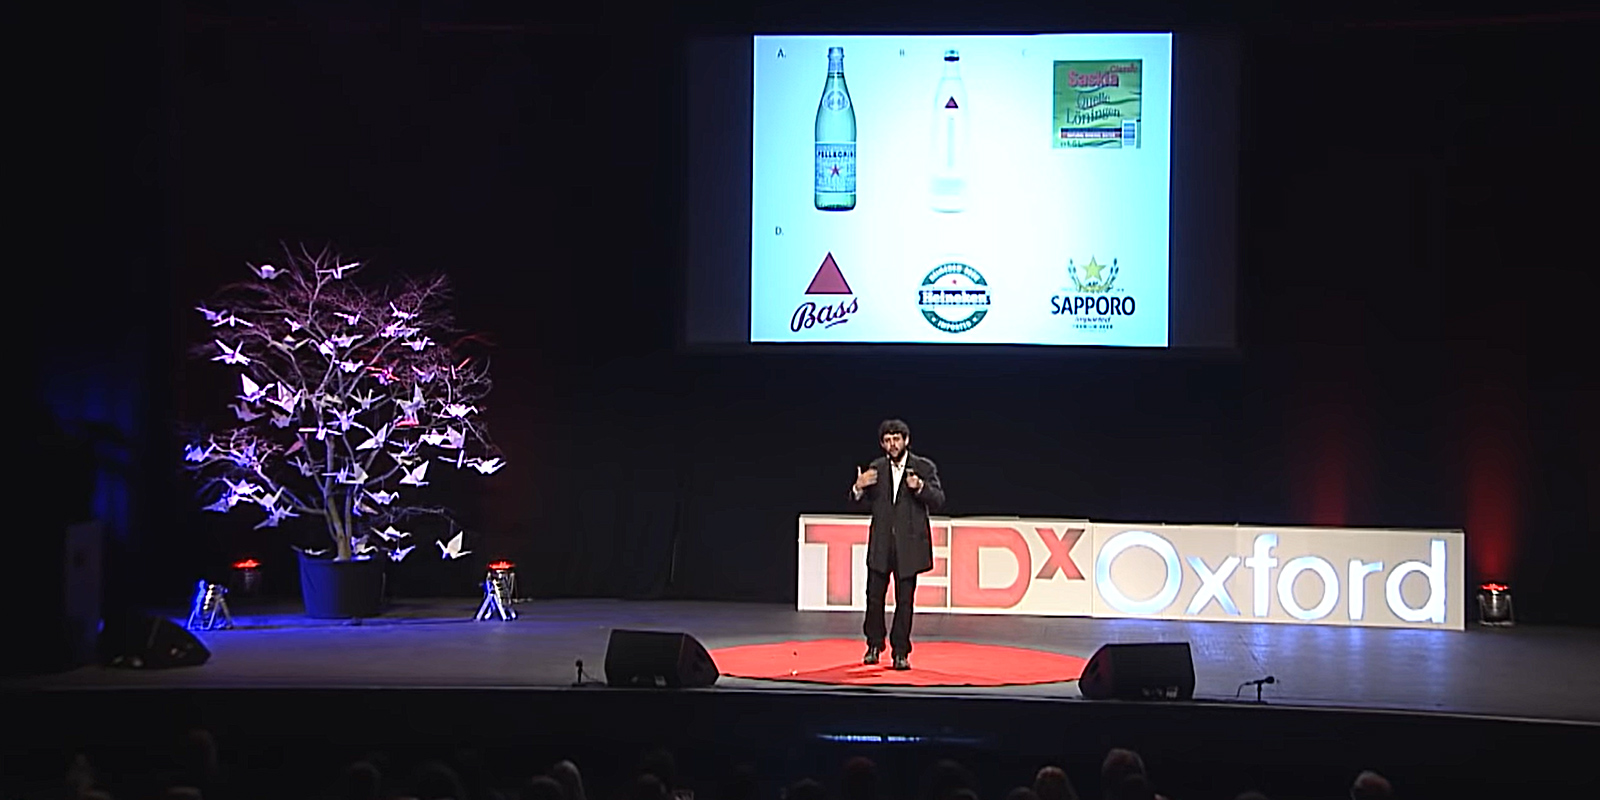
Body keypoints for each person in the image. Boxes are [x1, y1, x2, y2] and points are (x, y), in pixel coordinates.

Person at [850, 419, 945, 670]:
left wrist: (921, 487)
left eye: (897, 439)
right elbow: (858, 501)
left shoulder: (923, 467)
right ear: (882, 443)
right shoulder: (877, 468)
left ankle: (900, 652)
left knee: (905, 602)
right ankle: (873, 644)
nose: (893, 444)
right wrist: (858, 487)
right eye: (888, 440)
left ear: (906, 440)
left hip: (909, 546)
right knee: (873, 598)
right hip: (881, 544)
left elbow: (938, 500)